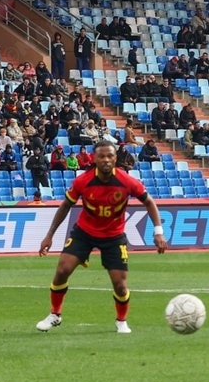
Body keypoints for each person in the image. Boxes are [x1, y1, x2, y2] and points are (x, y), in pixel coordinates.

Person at [36, 139, 169, 334]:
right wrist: (49, 236)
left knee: (120, 285)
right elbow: (65, 206)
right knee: (62, 270)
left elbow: (149, 202)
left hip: (114, 236)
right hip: (84, 233)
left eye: (110, 156)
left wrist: (158, 232)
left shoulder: (127, 181)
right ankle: (55, 314)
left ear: (115, 159)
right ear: (94, 159)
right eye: (102, 156)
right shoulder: (83, 181)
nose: (106, 159)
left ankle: (121, 321)